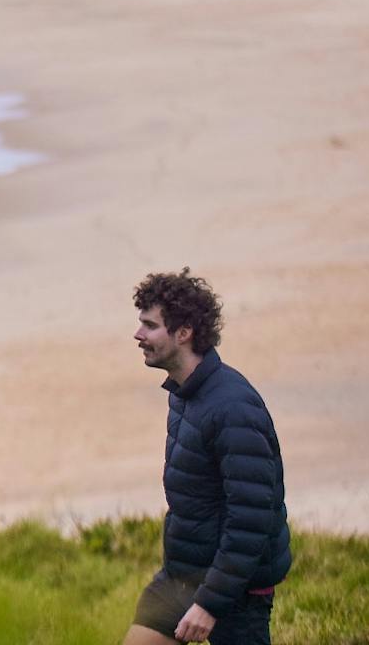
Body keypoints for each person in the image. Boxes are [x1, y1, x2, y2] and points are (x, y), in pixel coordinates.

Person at [125, 269, 290, 644]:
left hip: (236, 592)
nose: (138, 336)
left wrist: (210, 604)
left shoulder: (233, 408)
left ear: (183, 332)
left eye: (150, 326)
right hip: (182, 576)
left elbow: (251, 518)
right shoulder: (185, 394)